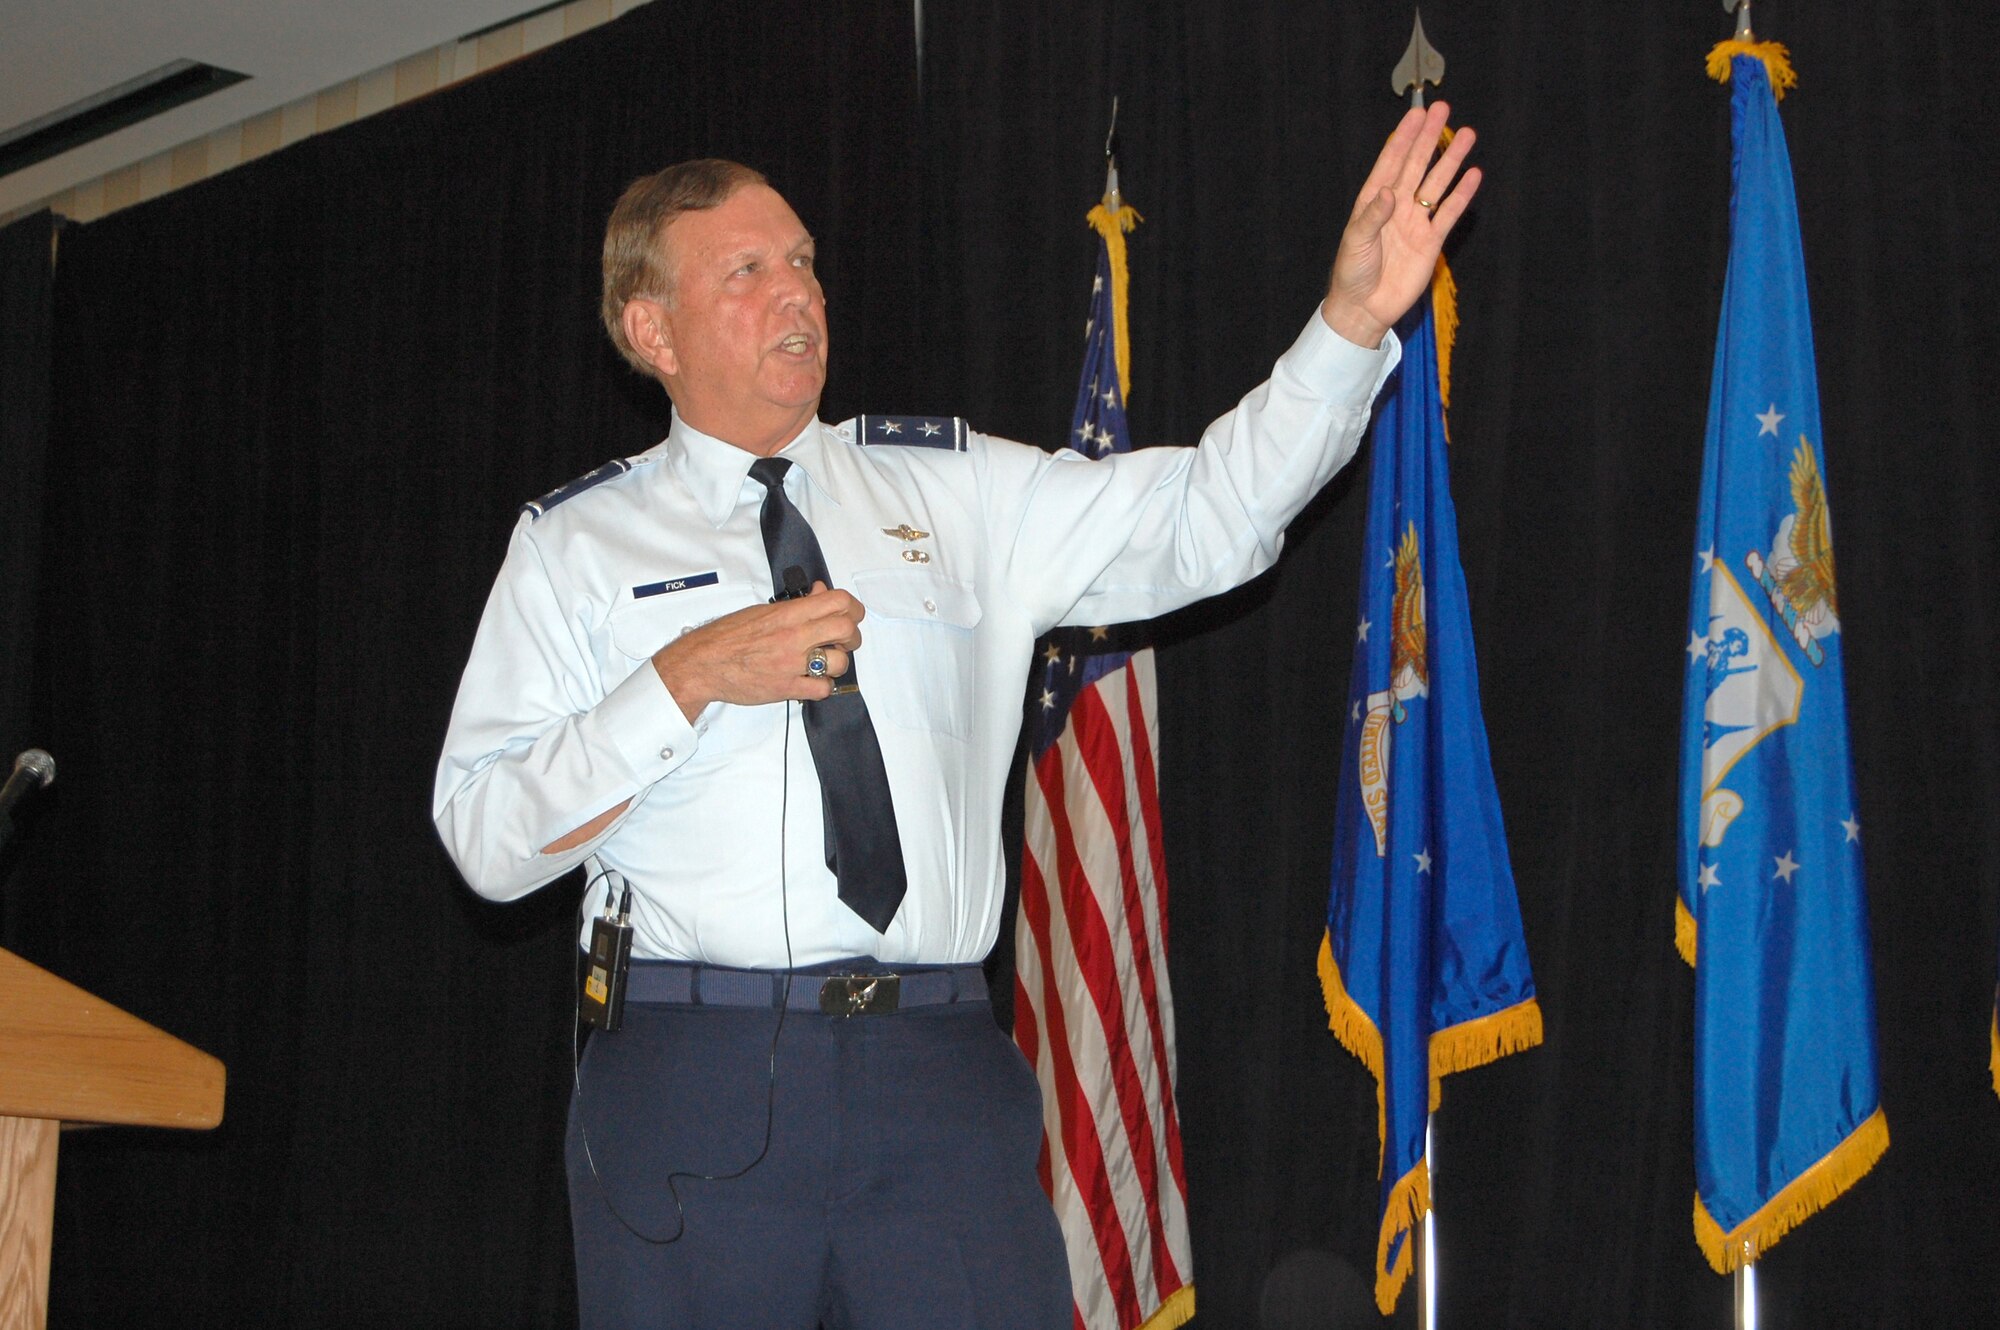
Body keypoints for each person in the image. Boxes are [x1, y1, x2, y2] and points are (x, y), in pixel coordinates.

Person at [433, 101, 1479, 1330]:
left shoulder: (952, 487)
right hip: (690, 1070)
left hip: (934, 1066)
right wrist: (685, 679)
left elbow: (1205, 516)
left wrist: (1347, 324)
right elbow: (486, 840)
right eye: (748, 271)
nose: (797, 295)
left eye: (806, 263)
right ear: (648, 328)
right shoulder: (574, 547)